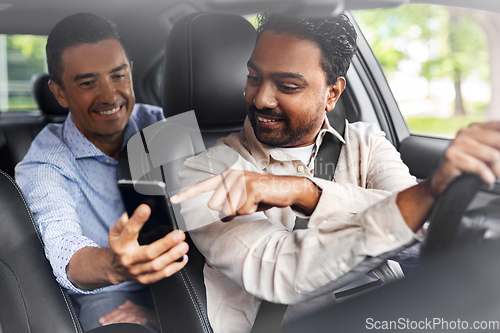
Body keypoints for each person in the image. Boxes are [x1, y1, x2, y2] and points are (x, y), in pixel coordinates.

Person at [170, 13, 500, 333]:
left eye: (287, 86)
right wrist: (413, 202)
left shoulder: (366, 143)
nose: (261, 98)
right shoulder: (206, 171)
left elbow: (425, 238)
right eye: (254, 78)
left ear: (332, 93)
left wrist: (307, 193)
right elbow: (282, 273)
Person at [15, 13, 189, 331]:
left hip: (185, 276)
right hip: (112, 294)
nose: (110, 96)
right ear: (59, 93)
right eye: (87, 83)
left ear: (131, 72)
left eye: (118, 76)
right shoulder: (44, 164)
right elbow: (64, 247)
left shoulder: (159, 124)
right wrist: (116, 264)